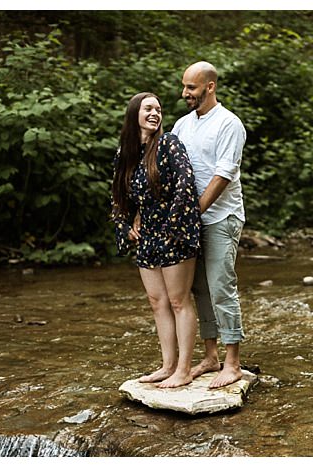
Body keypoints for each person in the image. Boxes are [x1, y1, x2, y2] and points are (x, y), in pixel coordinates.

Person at [111, 92, 201, 389]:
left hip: (174, 232)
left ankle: (184, 369)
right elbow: (118, 197)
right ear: (134, 113)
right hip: (147, 236)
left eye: (158, 109)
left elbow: (186, 183)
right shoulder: (126, 153)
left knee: (178, 301)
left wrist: (172, 224)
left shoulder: (169, 143)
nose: (155, 113)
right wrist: (125, 226)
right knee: (157, 301)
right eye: (148, 108)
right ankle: (167, 366)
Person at [171, 61, 247, 389]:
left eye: (191, 87)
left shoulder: (229, 124)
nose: (185, 93)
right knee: (197, 288)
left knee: (220, 287)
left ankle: (233, 363)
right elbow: (171, 169)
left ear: (210, 86)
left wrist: (194, 211)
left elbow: (223, 175)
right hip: (192, 220)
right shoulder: (182, 125)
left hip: (221, 217)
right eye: (184, 86)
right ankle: (211, 355)